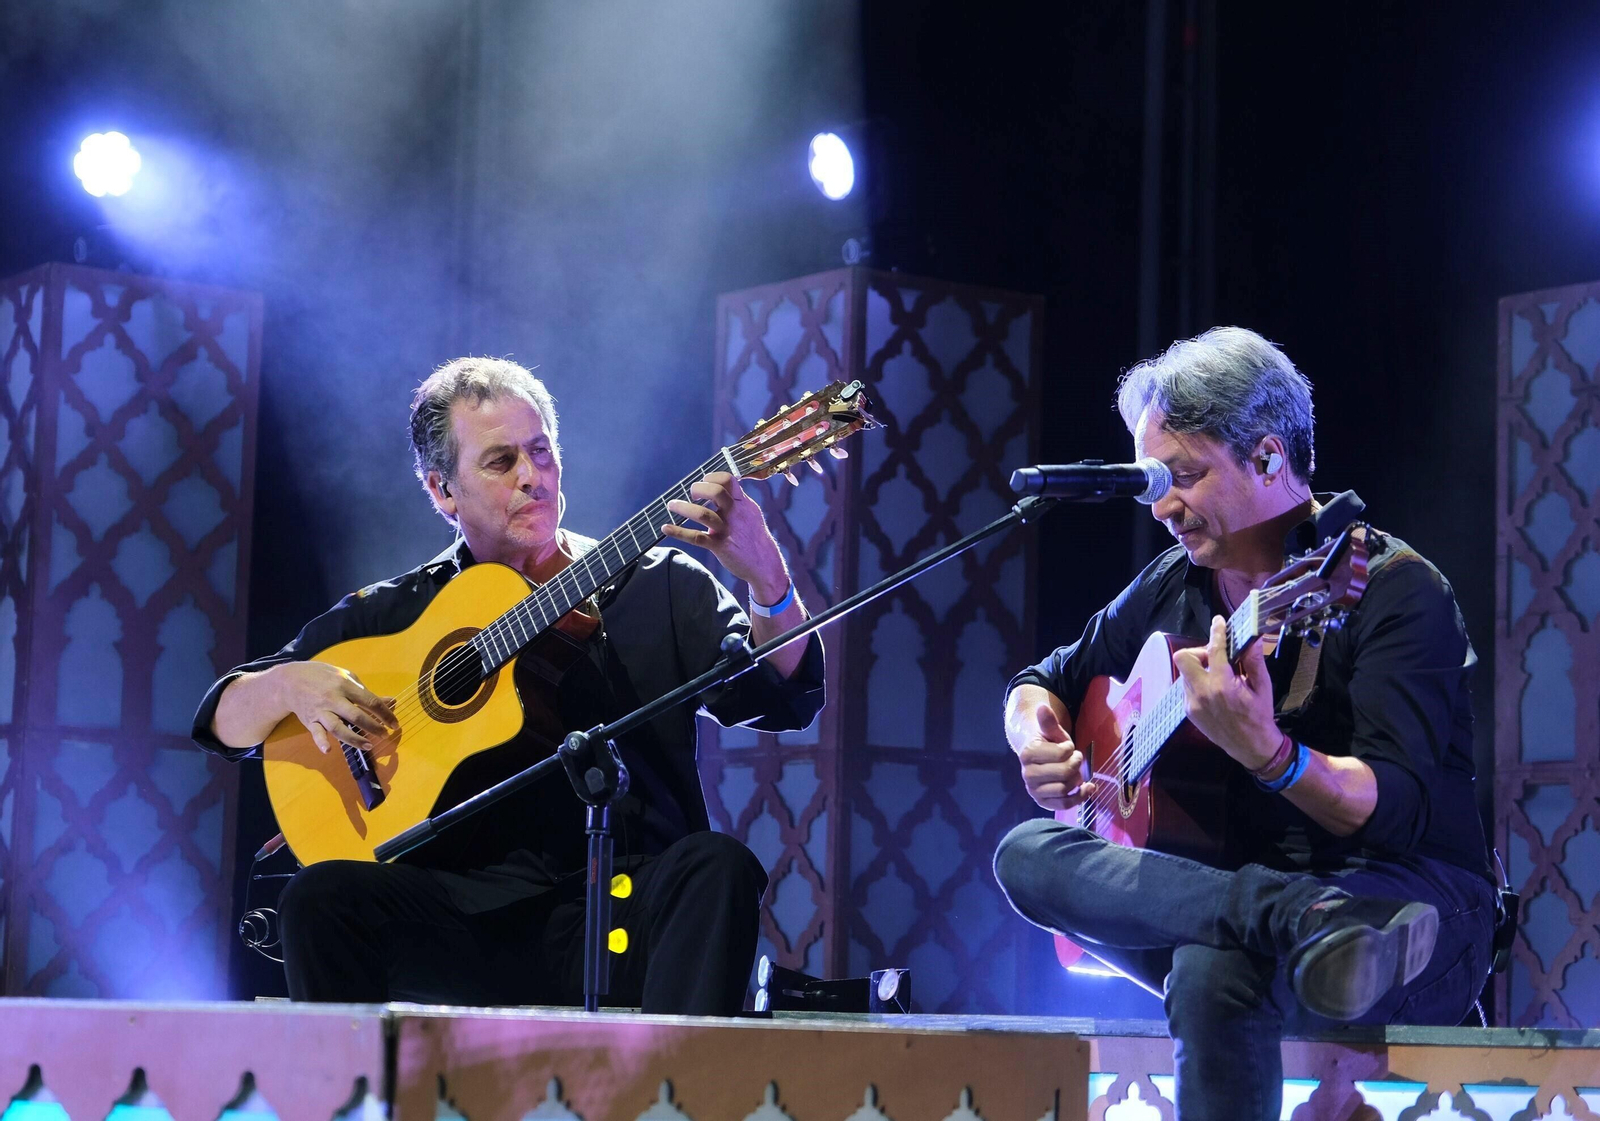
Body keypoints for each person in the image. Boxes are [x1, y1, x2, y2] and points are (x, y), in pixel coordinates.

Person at [192, 357, 824, 1014]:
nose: (532, 475)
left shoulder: (659, 582)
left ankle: (675, 1078)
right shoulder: (396, 612)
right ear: (442, 490)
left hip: (622, 910)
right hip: (459, 922)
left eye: (541, 451)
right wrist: (286, 685)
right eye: (501, 461)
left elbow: (780, 694)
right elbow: (222, 722)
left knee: (718, 867)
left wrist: (768, 579)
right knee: (318, 898)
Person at [992, 328, 1496, 1121]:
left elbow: (1394, 810)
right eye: (1154, 479)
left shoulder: (1395, 589)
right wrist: (1035, 736)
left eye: (1184, 476)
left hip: (1407, 909)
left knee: (1209, 971)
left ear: (1267, 457)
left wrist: (1270, 754)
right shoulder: (1171, 583)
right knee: (1025, 853)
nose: (1163, 506)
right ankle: (1292, 914)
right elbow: (1040, 683)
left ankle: (1302, 918)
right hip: (1254, 907)